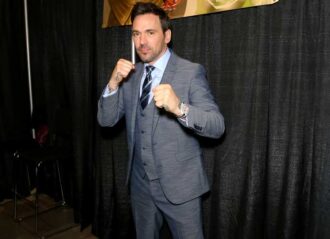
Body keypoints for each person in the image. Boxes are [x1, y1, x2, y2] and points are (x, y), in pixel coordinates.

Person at [97, 2, 225, 239]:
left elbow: (217, 126)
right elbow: (106, 121)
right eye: (136, 33)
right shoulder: (131, 76)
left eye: (150, 32)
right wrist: (113, 83)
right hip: (140, 187)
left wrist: (179, 108)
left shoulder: (190, 72)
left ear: (167, 35)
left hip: (181, 189)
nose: (141, 41)